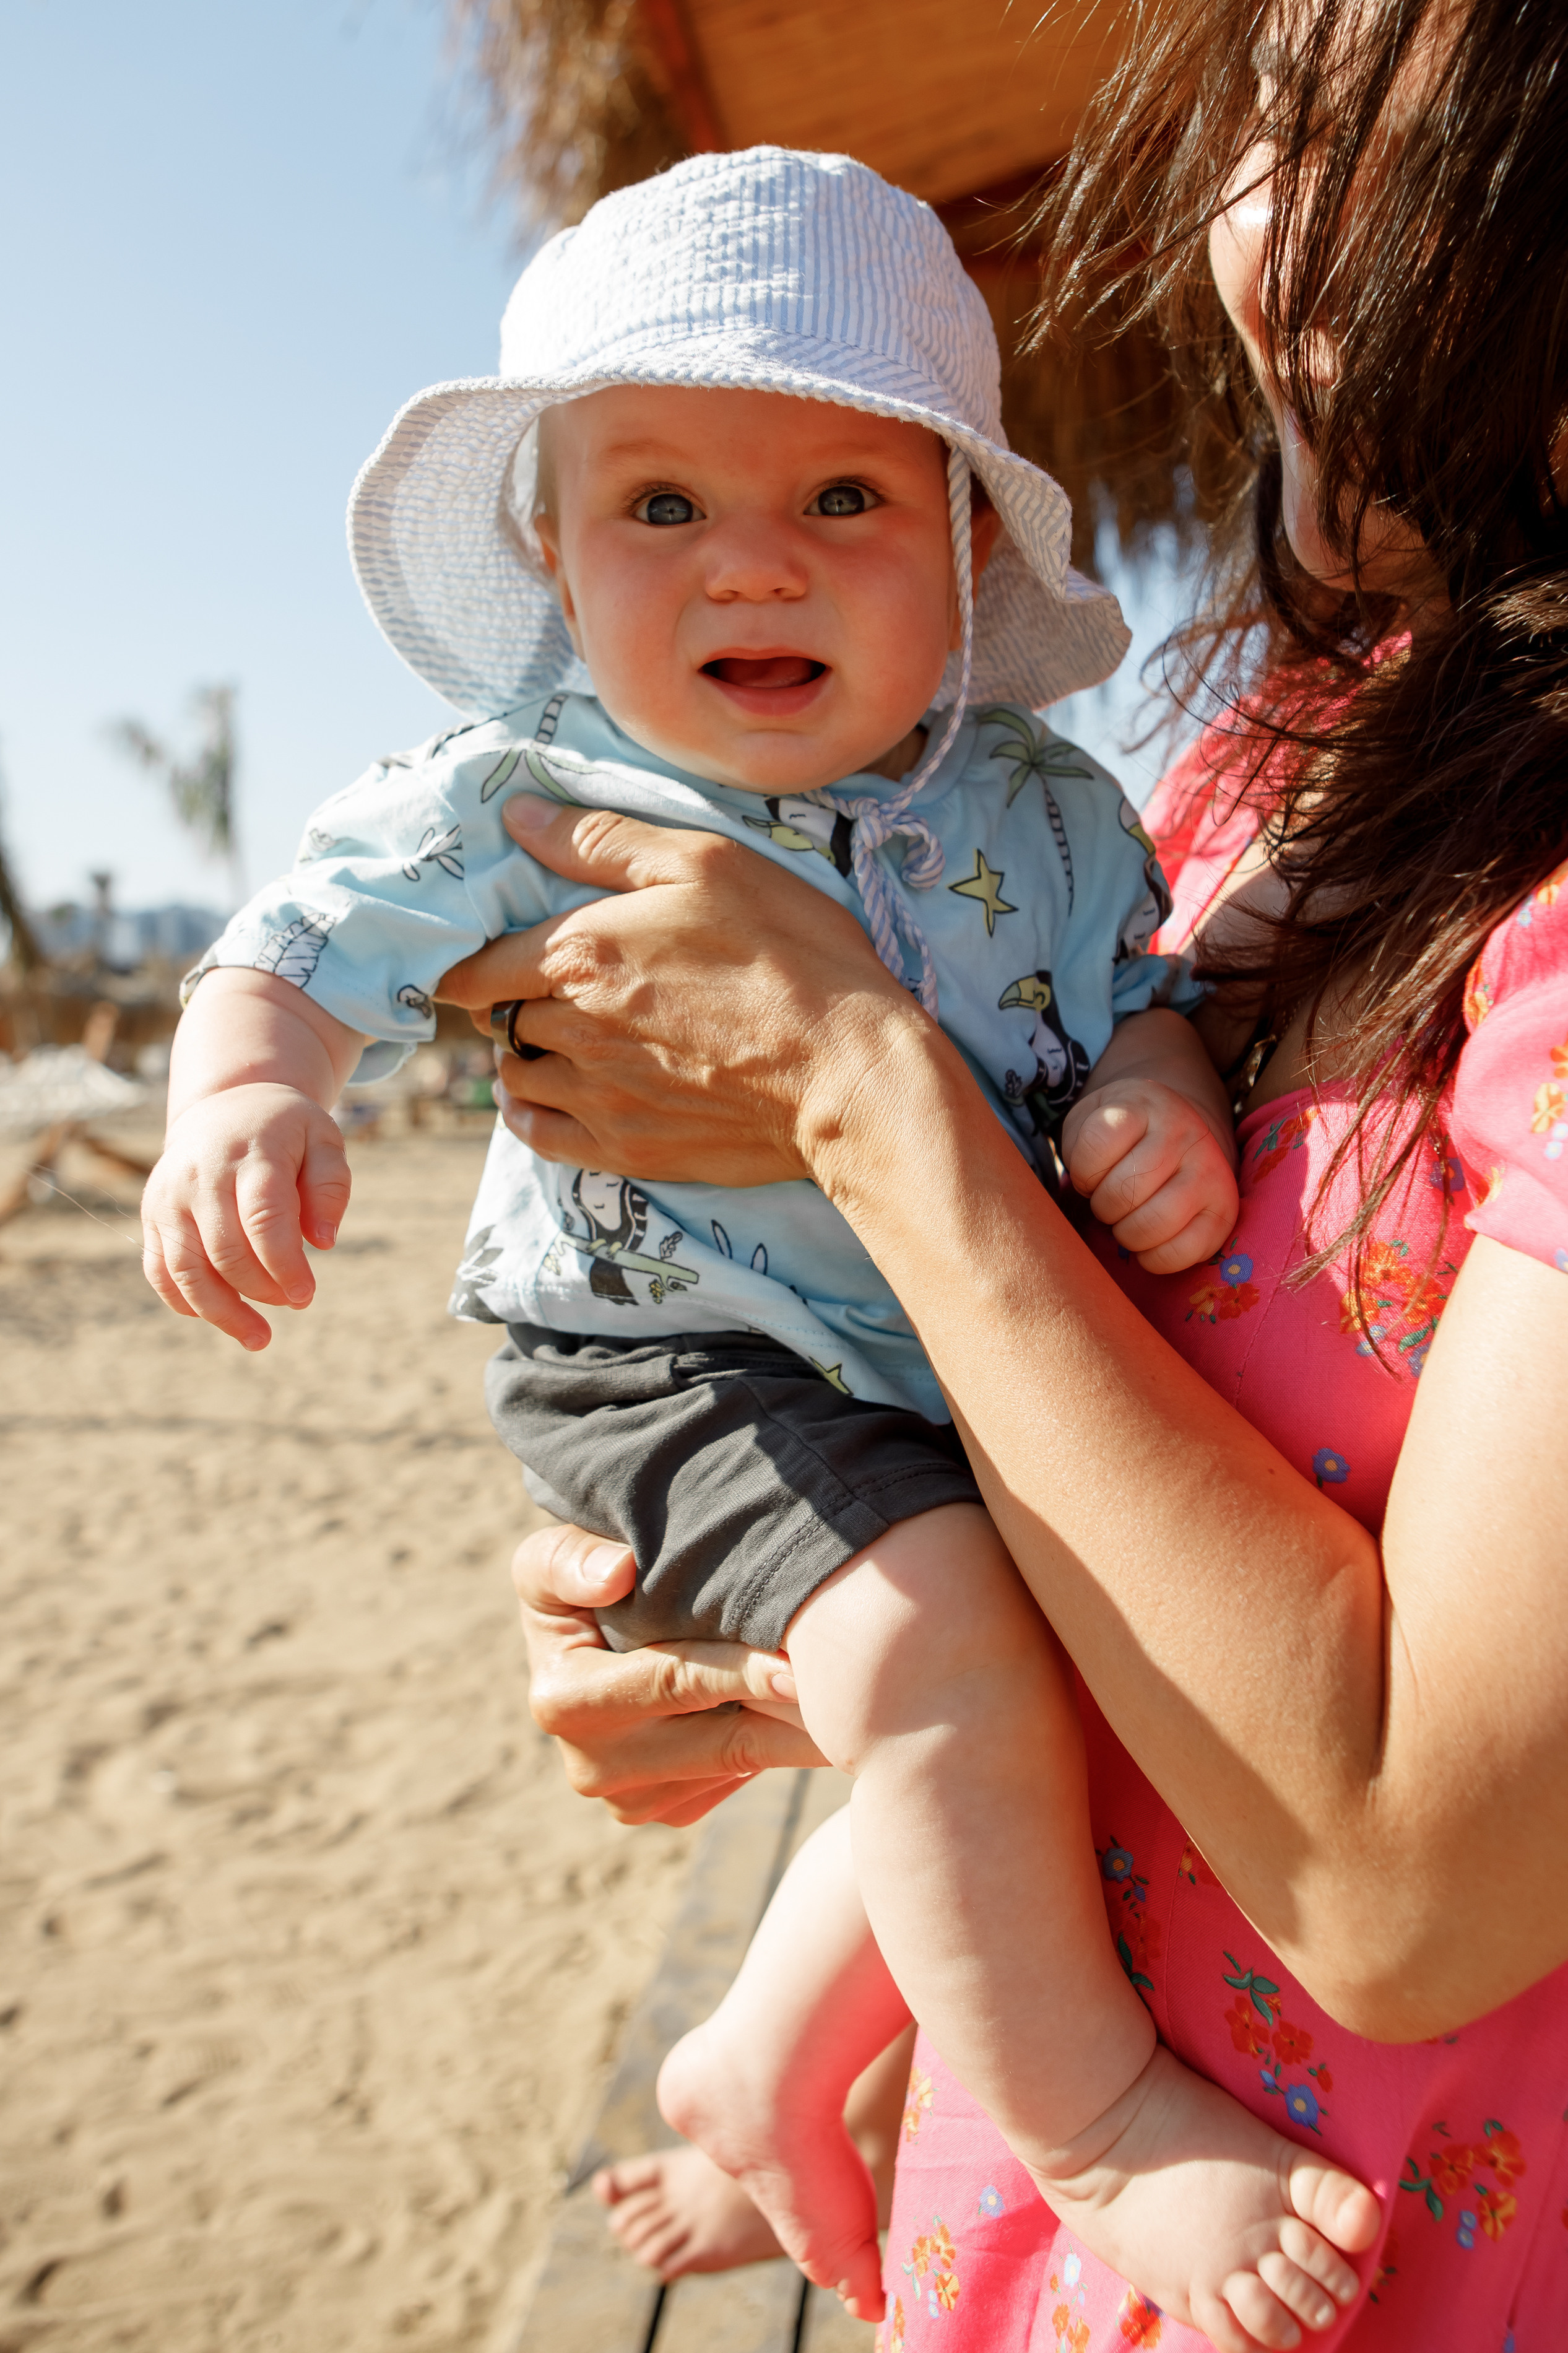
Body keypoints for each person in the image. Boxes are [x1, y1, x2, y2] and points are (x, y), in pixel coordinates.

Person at [138, 146, 1382, 2347]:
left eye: (841, 504)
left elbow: (1150, 1009)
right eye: (660, 509)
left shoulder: (1049, 810)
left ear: (964, 539)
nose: (753, 568)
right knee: (937, 1634)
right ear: (553, 544)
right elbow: (294, 953)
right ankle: (1089, 2119)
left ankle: (766, 2055)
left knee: (1032, 1633)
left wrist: (1152, 1102)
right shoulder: (515, 783)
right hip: (675, 1349)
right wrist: (250, 1095)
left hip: (944, 1343)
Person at [431, 1, 1568, 2345]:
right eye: (1265, 124)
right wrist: (782, 1643)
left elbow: (1407, 1885)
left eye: (1377, 141)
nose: (1265, 245)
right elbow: (1097, 1430)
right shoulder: (1309, 751)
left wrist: (859, 1079)